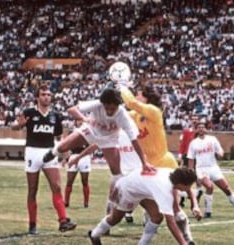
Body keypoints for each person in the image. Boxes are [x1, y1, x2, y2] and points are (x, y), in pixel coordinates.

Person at [118, 82, 202, 244]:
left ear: (147, 98)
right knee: (154, 207)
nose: (136, 96)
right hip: (148, 166)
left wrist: (121, 85)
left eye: (139, 94)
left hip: (164, 162)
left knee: (175, 207)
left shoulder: (153, 111)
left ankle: (188, 239)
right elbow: (121, 114)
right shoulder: (136, 116)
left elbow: (130, 102)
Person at [42, 88, 155, 180]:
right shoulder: (97, 104)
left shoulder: (123, 116)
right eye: (107, 108)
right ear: (102, 104)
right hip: (90, 131)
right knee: (62, 147)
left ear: (118, 105)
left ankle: (118, 197)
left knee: (117, 173)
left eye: (112, 108)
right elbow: (72, 110)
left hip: (109, 140)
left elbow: (134, 140)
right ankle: (53, 153)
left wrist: (144, 163)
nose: (109, 111)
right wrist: (84, 118)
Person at [10, 84, 76, 234]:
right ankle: (32, 225)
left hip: (49, 152)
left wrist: (65, 151)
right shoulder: (29, 112)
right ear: (37, 97)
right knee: (33, 190)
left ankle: (63, 221)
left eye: (48, 94)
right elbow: (14, 126)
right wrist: (18, 126)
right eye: (43, 94)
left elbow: (59, 136)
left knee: (57, 187)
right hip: (32, 152)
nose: (46, 97)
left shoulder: (55, 116)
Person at [88, 167, 198, 245]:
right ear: (181, 184)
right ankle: (94, 234)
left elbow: (188, 190)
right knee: (115, 218)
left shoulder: (171, 173)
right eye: (189, 185)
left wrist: (195, 205)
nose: (189, 188)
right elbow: (171, 223)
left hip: (142, 189)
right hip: (128, 190)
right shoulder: (164, 189)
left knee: (157, 217)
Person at [187, 121, 234, 219]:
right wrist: (191, 171)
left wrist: (220, 153)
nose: (201, 129)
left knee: (226, 188)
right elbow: (190, 158)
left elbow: (220, 150)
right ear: (196, 129)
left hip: (213, 167)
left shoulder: (212, 139)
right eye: (199, 127)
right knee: (209, 186)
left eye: (203, 127)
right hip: (201, 169)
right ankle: (208, 212)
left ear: (205, 129)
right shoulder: (193, 143)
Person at [63, 119, 92, 208]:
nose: (80, 122)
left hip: (85, 157)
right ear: (75, 122)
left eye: (81, 120)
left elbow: (92, 143)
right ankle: (66, 202)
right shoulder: (72, 131)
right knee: (69, 180)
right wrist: (66, 157)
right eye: (78, 120)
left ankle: (86, 203)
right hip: (74, 156)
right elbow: (66, 144)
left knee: (85, 181)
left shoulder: (87, 131)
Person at [178, 115, 205, 207]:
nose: (194, 120)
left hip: (197, 157)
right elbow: (182, 144)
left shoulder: (201, 133)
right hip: (187, 156)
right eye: (193, 119)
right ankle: (182, 198)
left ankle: (197, 196)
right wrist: (180, 155)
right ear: (190, 120)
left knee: (197, 177)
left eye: (196, 119)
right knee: (185, 177)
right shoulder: (186, 131)